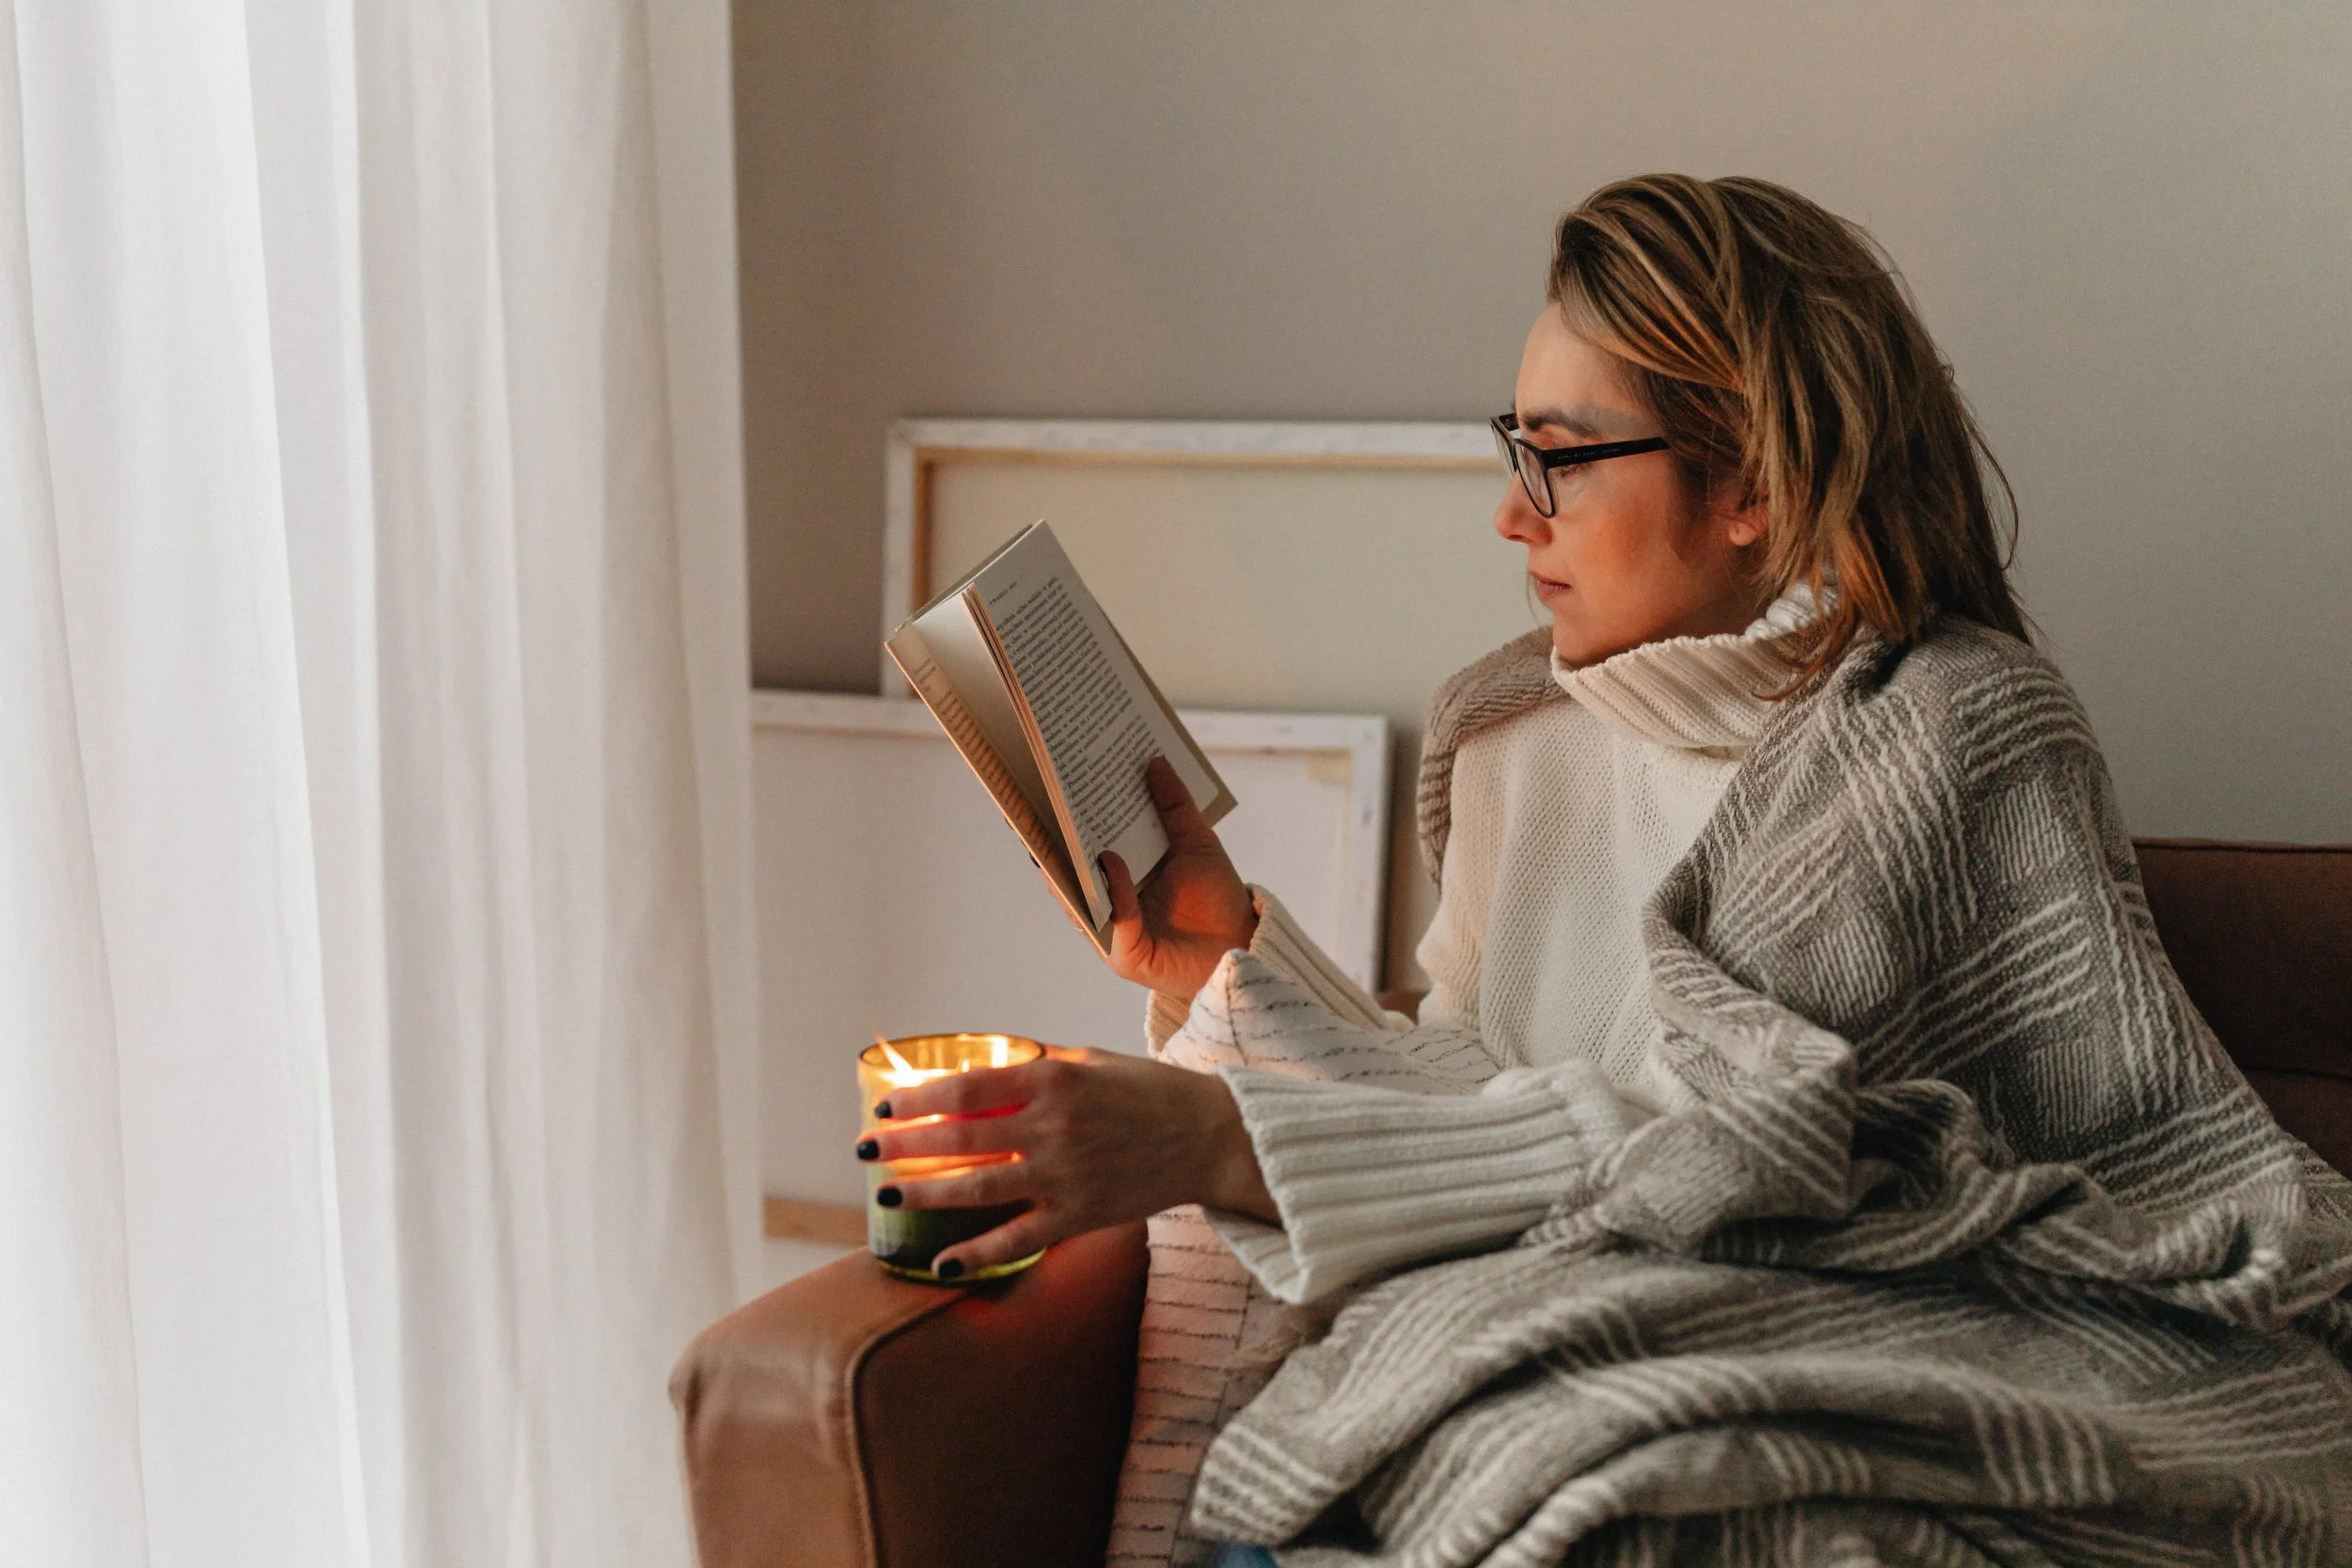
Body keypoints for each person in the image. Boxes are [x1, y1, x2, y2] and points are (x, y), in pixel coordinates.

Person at [860, 176, 2352, 1565]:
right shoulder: (1511, 735)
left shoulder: (1952, 730)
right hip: (1541, 1327)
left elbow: (1757, 1155)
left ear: (1753, 478)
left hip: (1843, 1323)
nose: (1515, 514)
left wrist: (1220, 1141)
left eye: (1563, 458)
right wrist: (1228, 960)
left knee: (1622, 1486)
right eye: (1517, 451)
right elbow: (1474, 1079)